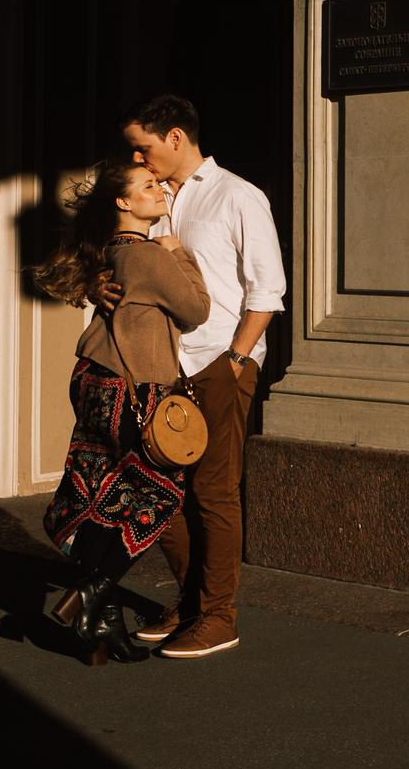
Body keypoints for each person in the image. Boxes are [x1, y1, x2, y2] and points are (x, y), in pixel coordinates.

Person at [107, 93, 286, 659]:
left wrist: (236, 361)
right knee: (165, 490)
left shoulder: (238, 196)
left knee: (213, 491)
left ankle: (218, 615)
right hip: (162, 366)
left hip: (218, 364)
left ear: (176, 137)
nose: (137, 156)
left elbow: (268, 289)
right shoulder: (155, 197)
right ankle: (189, 602)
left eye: (144, 145)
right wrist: (100, 285)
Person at [29, 158, 211, 664]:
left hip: (93, 377)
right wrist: (179, 254)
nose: (160, 191)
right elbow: (197, 311)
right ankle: (90, 591)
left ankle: (102, 625)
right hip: (133, 385)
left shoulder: (110, 251)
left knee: (104, 490)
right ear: (122, 202)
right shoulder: (153, 255)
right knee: (157, 494)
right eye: (148, 186)